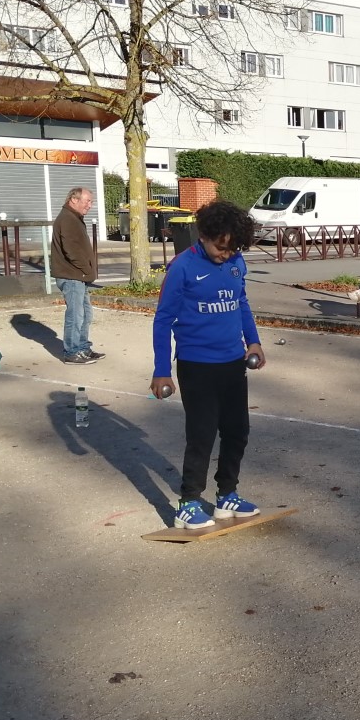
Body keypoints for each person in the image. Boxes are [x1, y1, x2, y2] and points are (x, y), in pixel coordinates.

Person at [150, 200, 265, 529]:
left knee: (237, 432)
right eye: (221, 248)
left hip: (232, 362)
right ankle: (187, 501)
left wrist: (252, 340)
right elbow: (163, 321)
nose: (226, 254)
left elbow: (241, 302)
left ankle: (227, 494)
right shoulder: (182, 268)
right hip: (197, 365)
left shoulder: (235, 262)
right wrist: (161, 370)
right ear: (205, 235)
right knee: (201, 435)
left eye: (233, 250)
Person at [50, 187, 102, 365]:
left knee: (85, 313)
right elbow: (71, 250)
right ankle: (72, 352)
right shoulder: (68, 219)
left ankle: (82, 347)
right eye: (87, 201)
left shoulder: (74, 218)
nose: (90, 205)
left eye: (91, 201)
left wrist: (86, 272)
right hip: (72, 275)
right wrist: (85, 270)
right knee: (76, 314)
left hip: (79, 275)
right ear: (74, 199)